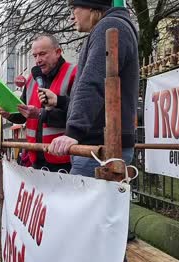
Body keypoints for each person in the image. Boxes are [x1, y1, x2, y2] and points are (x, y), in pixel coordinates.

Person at [48, 0, 139, 175]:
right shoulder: (111, 27)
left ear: (90, 5)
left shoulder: (109, 27)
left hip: (100, 147)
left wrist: (74, 131)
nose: (71, 17)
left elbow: (93, 82)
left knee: (80, 202)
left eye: (74, 8)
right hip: (99, 144)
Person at [0, 34, 76, 172]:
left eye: (42, 54)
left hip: (64, 158)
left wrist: (41, 114)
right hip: (36, 158)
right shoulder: (32, 79)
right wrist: (9, 114)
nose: (38, 60)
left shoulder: (73, 73)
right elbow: (23, 116)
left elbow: (78, 116)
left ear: (58, 52)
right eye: (35, 56)